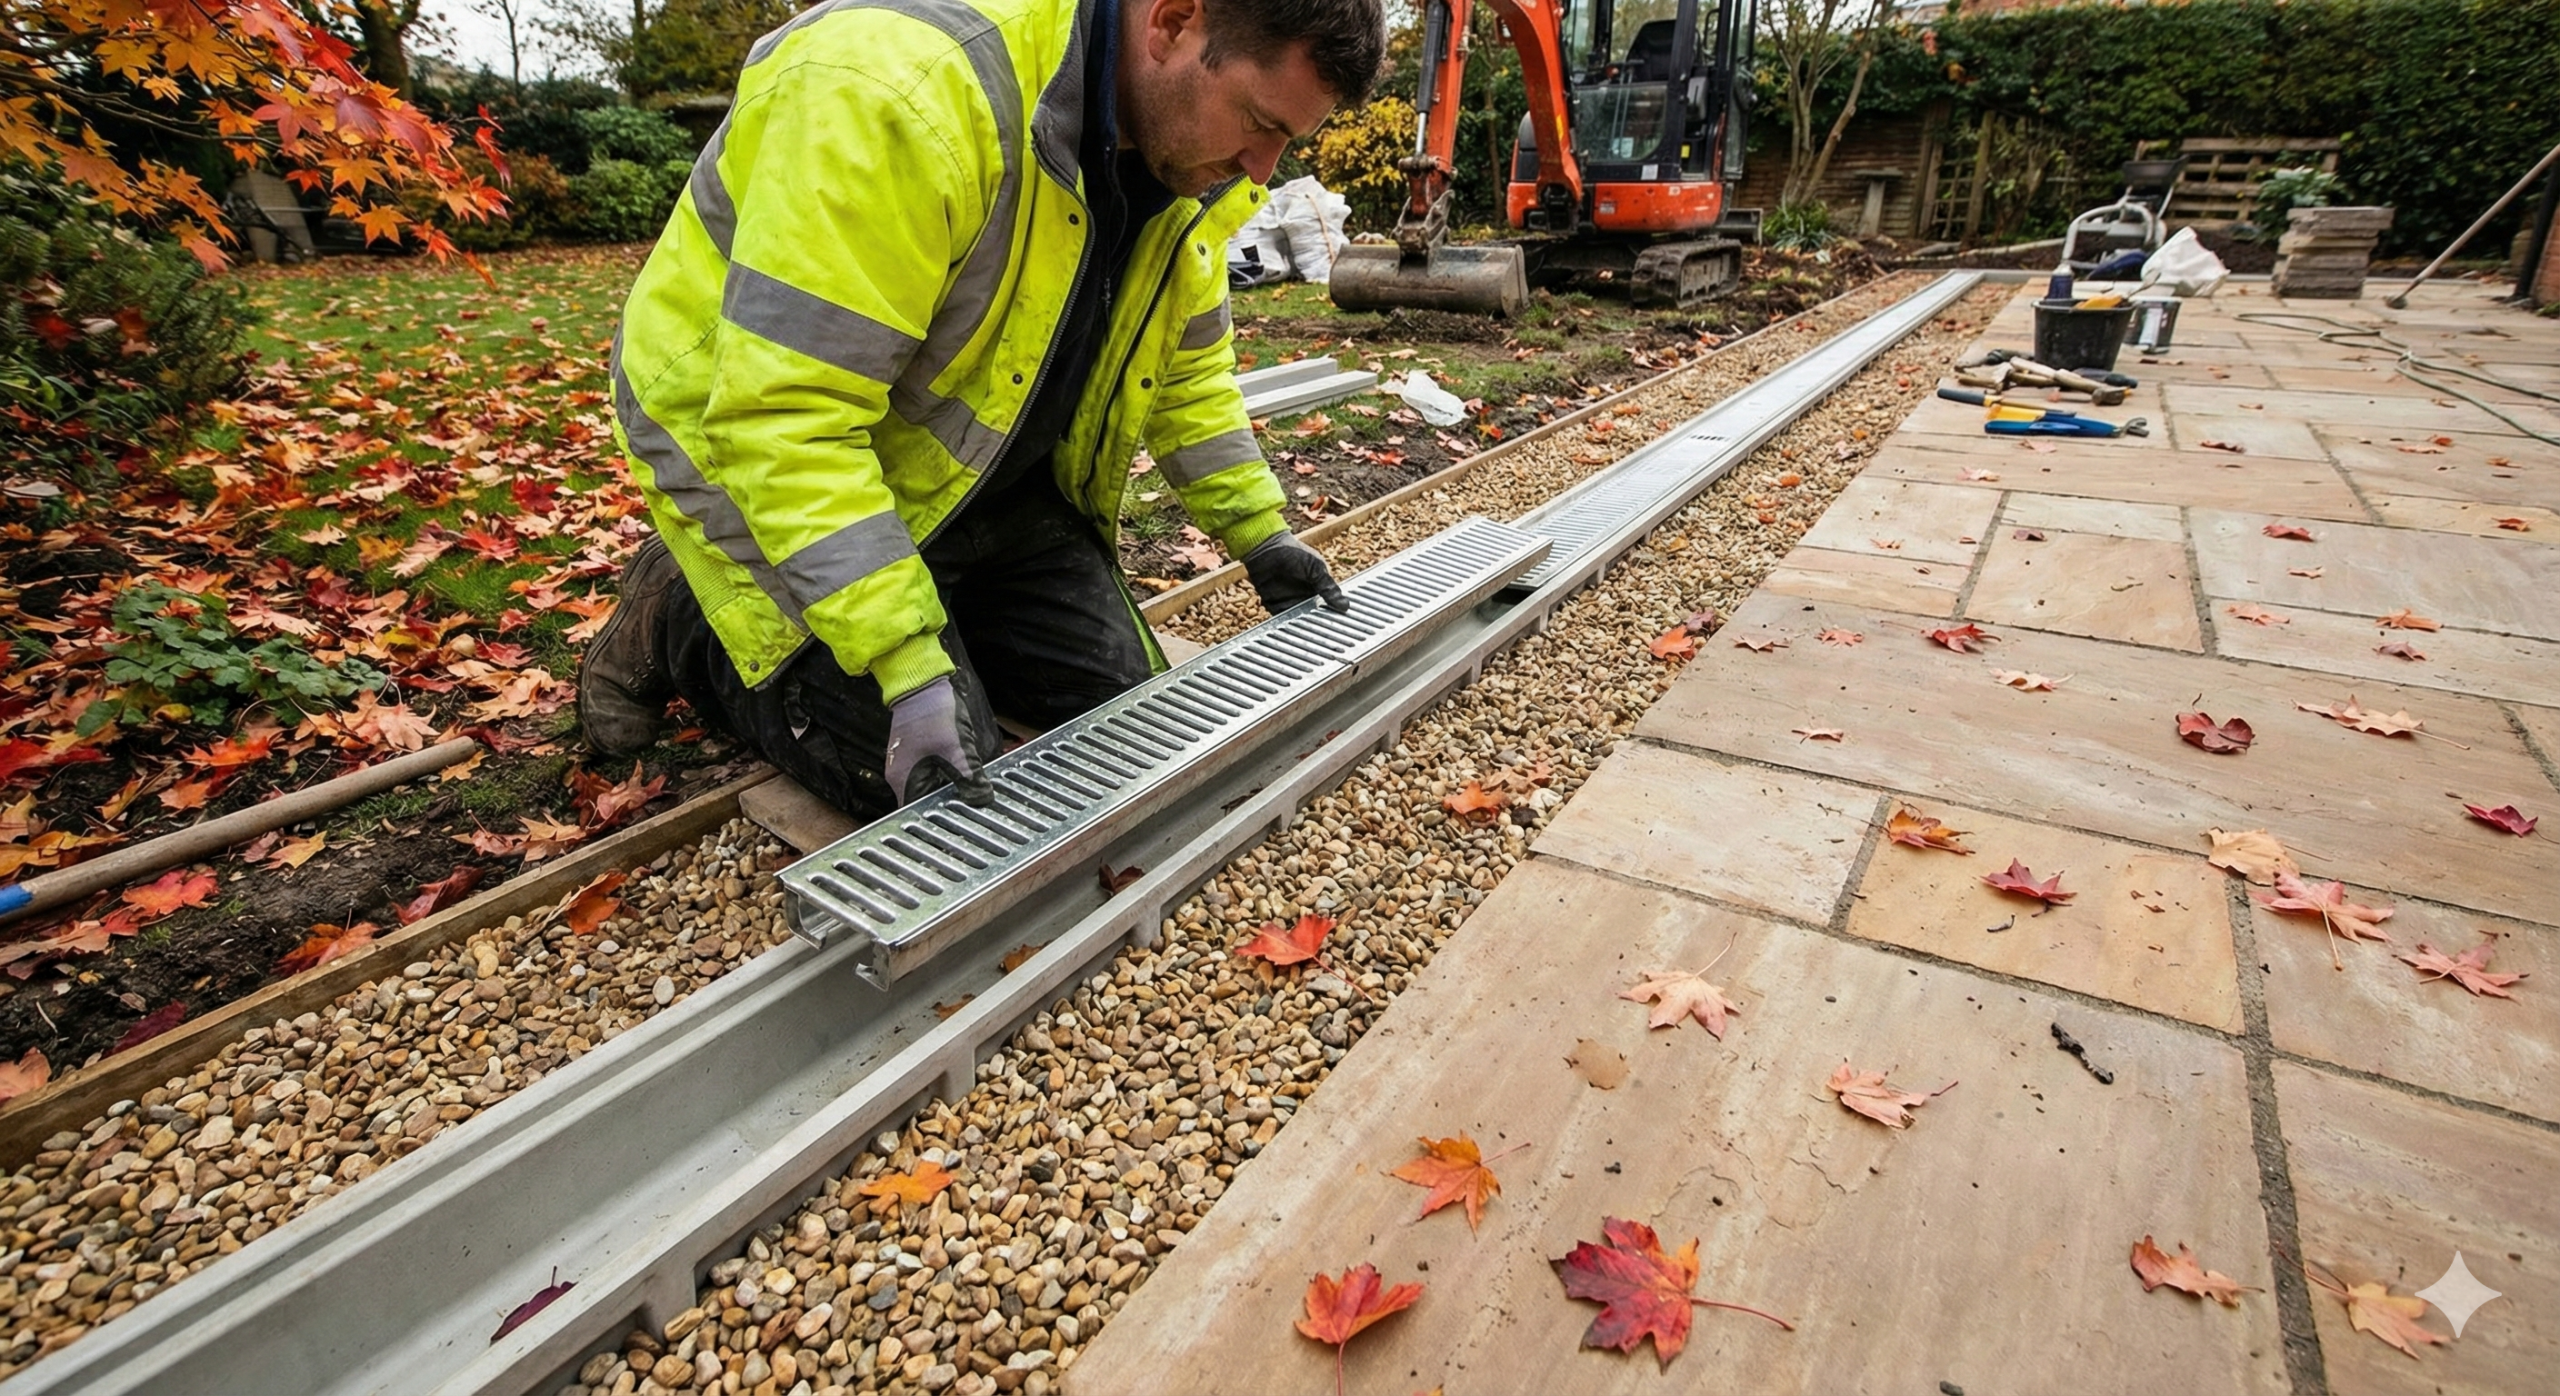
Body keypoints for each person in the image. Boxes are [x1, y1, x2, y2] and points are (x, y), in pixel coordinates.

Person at [578, 0, 1385, 820]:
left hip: (975, 467)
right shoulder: (900, 96)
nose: (1262, 169)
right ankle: (683, 610)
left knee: (1137, 728)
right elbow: (785, 415)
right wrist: (905, 660)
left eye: (1289, 139)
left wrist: (1261, 533)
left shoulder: (1186, 170)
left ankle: (934, 601)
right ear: (1173, 23)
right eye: (1258, 122)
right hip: (755, 446)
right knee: (917, 786)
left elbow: (1184, 373)